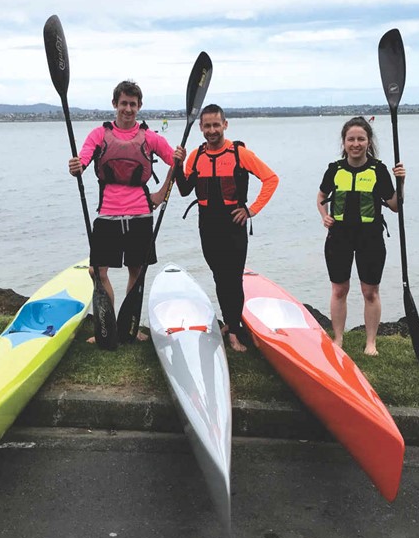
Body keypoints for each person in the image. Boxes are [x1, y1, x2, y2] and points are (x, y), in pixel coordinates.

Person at [68, 80, 183, 342]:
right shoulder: (98, 135)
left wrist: (162, 193)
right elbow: (82, 161)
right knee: (97, 271)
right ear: (114, 104)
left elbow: (175, 163)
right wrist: (76, 166)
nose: (128, 109)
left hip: (140, 213)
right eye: (123, 103)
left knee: (137, 271)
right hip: (107, 213)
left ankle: (129, 328)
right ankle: (108, 326)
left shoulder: (151, 137)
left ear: (139, 106)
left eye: (133, 104)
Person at [175, 104, 279, 352]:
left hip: (233, 224)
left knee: (232, 278)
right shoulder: (196, 156)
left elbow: (271, 179)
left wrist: (251, 210)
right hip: (207, 224)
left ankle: (234, 331)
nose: (212, 130)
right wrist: (177, 165)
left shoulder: (239, 153)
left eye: (216, 125)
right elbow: (184, 190)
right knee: (219, 277)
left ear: (225, 125)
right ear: (200, 127)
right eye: (207, 125)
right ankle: (231, 321)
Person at [316, 116, 406, 356]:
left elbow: (395, 205)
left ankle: (371, 343)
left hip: (370, 238)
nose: (356, 144)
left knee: (370, 291)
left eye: (361, 139)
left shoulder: (379, 170)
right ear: (344, 142)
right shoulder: (334, 169)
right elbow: (321, 197)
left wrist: (402, 183)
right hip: (339, 237)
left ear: (368, 142)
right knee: (339, 290)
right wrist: (324, 216)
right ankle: (338, 339)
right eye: (351, 139)